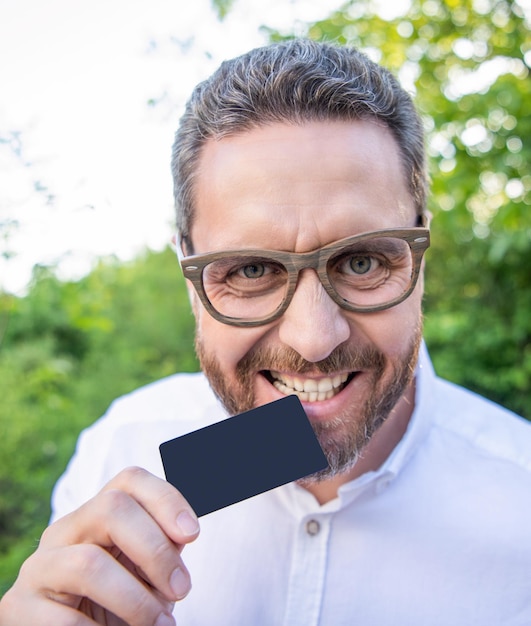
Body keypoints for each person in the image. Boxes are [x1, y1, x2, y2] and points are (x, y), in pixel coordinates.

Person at [1, 38, 530, 626]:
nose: (313, 340)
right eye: (251, 270)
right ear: (190, 276)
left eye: (361, 262)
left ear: (420, 260)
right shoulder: (123, 447)